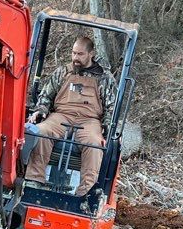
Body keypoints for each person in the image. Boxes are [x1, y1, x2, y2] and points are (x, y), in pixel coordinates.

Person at [24, 35, 115, 196]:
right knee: (42, 132)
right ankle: (33, 180)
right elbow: (46, 96)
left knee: (95, 143)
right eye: (73, 53)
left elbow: (111, 108)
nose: (75, 58)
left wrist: (107, 127)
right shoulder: (63, 72)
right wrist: (41, 110)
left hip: (89, 120)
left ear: (91, 54)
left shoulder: (104, 77)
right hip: (61, 115)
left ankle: (86, 192)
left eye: (80, 54)